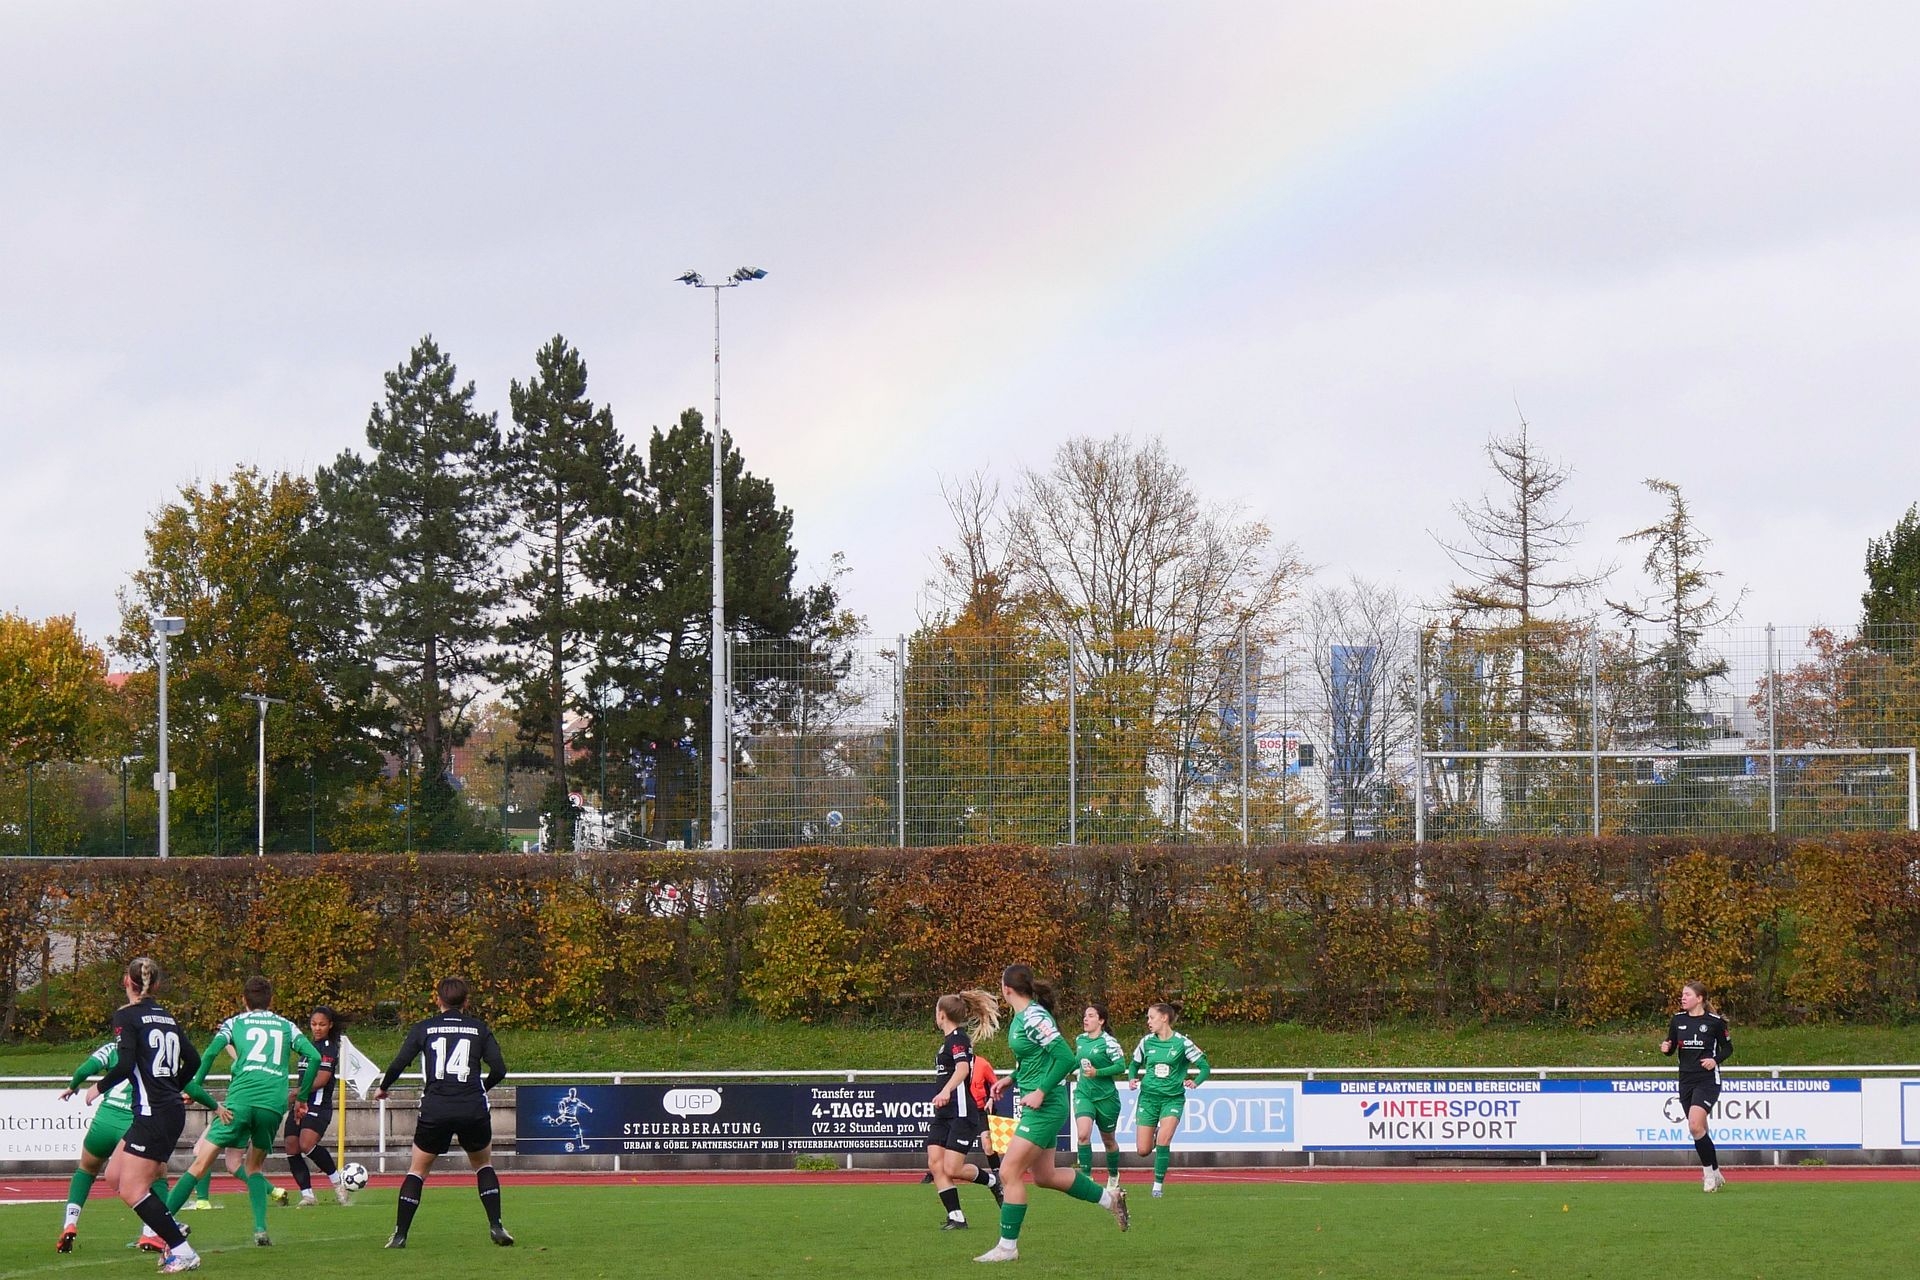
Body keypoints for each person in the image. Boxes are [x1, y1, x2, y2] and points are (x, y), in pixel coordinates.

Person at [974, 964, 1128, 1264]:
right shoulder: (1023, 1016)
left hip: (1045, 1105)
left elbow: (1066, 1058)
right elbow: (1035, 1060)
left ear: (1007, 988)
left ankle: (1007, 1247)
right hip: (1041, 1104)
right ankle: (1109, 1199)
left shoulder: (1033, 1017)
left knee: (1008, 1172)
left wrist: (1041, 1091)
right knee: (1045, 1176)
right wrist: (1011, 1079)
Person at [82, 957, 214, 1274]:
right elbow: (194, 1061)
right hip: (159, 1111)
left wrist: (98, 1087)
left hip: (154, 1113)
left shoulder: (126, 1015)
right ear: (156, 985)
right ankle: (170, 1225)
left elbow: (125, 1064)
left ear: (126, 982)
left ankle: (182, 1252)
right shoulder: (166, 1016)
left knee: (131, 1189)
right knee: (114, 1176)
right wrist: (174, 1087)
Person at [168, 976, 322, 1246]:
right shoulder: (286, 1025)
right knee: (253, 1167)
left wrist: (195, 1086)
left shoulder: (234, 1023)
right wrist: (302, 1098)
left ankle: (156, 1227)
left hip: (239, 1101)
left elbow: (209, 1054)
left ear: (244, 1000)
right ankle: (260, 1229)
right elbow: (315, 1057)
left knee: (200, 1163)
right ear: (271, 1000)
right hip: (272, 1106)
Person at [371, 976, 513, 1249]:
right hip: (472, 1108)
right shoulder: (479, 1028)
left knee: (417, 1170)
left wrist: (384, 1087)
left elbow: (400, 1062)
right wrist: (480, 1088)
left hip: (436, 1108)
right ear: (466, 1001)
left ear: (438, 1000)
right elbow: (499, 1069)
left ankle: (400, 1235)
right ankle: (496, 1225)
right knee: (483, 1165)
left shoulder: (424, 1028)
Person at [926, 990, 1003, 1229]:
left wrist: (945, 1091)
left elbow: (962, 1069)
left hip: (961, 1112)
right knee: (935, 1164)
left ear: (941, 1014)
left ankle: (993, 1182)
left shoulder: (958, 1038)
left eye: (936, 1012)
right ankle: (956, 1217)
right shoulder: (947, 1042)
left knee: (952, 1168)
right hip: (944, 1113)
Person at [1127, 1002, 1210, 1198]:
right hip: (1148, 1099)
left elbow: (1205, 1067)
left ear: (1164, 1018)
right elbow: (1133, 1064)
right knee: (1143, 1150)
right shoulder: (1146, 1042)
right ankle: (1155, 1134)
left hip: (1172, 1099)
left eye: (1151, 1017)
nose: (1148, 1022)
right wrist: (1131, 1078)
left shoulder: (1182, 1043)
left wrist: (1195, 1081)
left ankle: (1157, 1185)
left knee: (1164, 1140)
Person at [1661, 979, 1733, 1192]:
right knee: (1700, 1129)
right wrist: (1666, 1048)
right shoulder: (1678, 1020)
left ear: (1699, 998)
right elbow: (1671, 1047)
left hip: (1707, 1080)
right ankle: (1716, 1172)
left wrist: (1715, 1060)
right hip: (1686, 1080)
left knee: (1694, 1126)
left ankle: (1708, 1175)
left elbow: (1728, 1048)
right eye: (1682, 994)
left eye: (1687, 994)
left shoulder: (1714, 1022)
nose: (1683, 998)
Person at [282, 1006, 347, 1206]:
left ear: (330, 1025)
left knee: (306, 1144)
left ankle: (338, 1182)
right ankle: (308, 1195)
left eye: (322, 1024)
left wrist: (296, 1093)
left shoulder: (329, 1048)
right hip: (301, 1104)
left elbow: (322, 1079)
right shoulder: (308, 1046)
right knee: (291, 1145)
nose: (317, 1028)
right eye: (314, 1024)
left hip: (318, 1105)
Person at [1071, 1003, 1127, 1190]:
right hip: (1084, 1093)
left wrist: (1098, 1072)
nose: (1085, 1019)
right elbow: (1076, 1062)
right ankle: (1086, 1177)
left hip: (1106, 1098)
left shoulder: (1109, 1042)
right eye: (1085, 1015)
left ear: (1101, 1020)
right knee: (1083, 1134)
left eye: (1091, 1016)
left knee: (1108, 1141)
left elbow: (1120, 1066)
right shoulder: (1080, 1039)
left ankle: (1113, 1174)